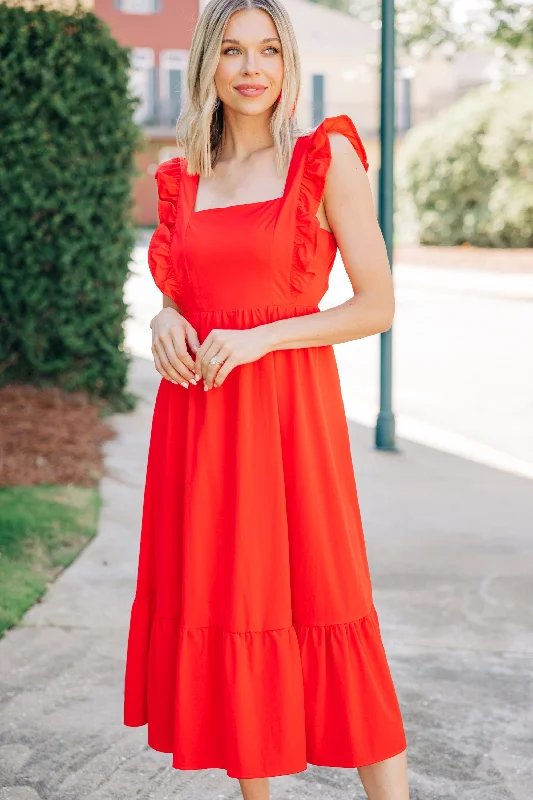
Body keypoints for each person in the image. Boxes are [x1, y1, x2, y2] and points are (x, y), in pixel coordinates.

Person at [123, 0, 409, 797]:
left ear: (288, 64)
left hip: (290, 421)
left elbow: (376, 305)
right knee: (234, 608)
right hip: (201, 427)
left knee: (329, 604)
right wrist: (164, 317)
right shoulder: (182, 179)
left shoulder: (325, 159)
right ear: (206, 65)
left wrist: (264, 338)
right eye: (234, 51)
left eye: (270, 51)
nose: (252, 69)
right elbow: (189, 291)